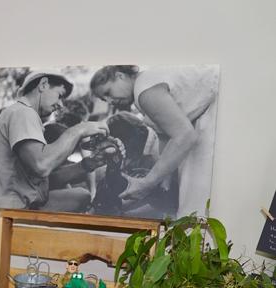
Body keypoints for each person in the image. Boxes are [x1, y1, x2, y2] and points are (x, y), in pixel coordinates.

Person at [90, 65, 219, 217]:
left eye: (108, 92)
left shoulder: (144, 91)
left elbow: (185, 135)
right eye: (104, 99)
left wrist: (148, 183)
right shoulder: (147, 85)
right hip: (206, 121)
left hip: (213, 120)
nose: (109, 101)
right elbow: (168, 138)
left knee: (194, 210)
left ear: (120, 76)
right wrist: (164, 181)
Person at [0, 69, 108, 212]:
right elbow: (42, 165)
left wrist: (86, 165)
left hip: (18, 203)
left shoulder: (25, 115)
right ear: (43, 84)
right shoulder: (22, 112)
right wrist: (79, 130)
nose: (60, 105)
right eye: (59, 95)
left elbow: (43, 183)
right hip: (9, 209)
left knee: (81, 195)